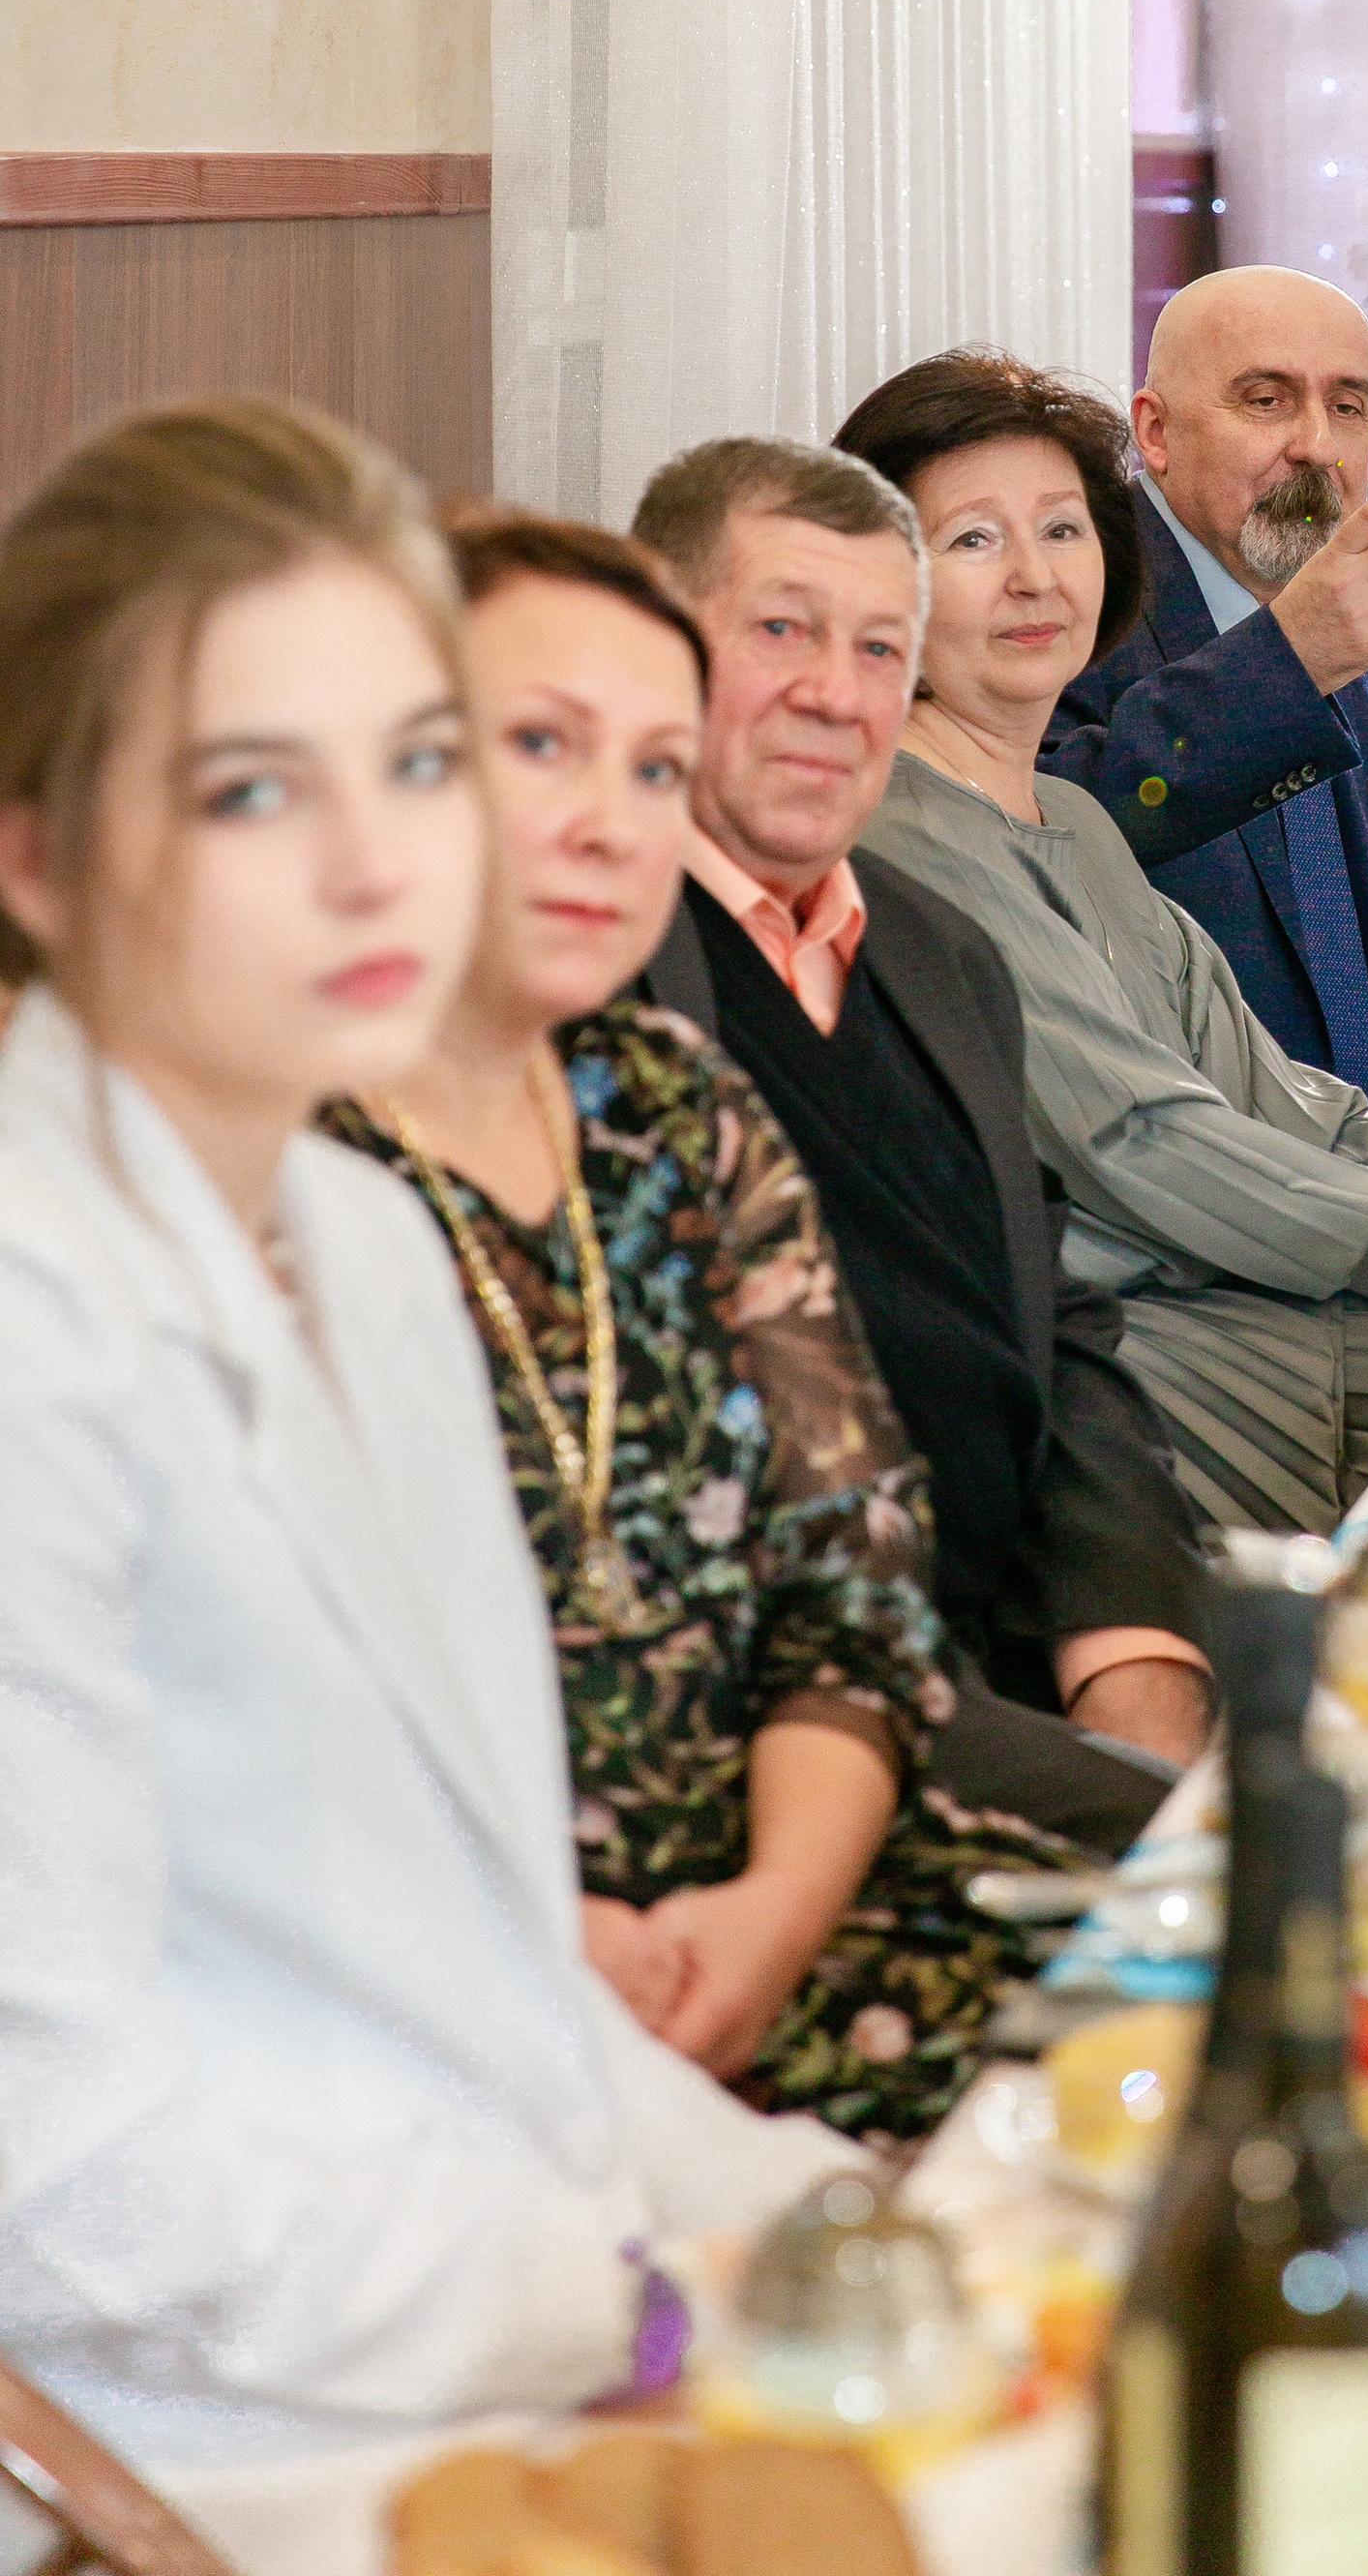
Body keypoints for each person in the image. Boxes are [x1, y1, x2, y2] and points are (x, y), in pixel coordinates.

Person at [0, 399, 834, 2479]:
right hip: (202, 2420)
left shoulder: (361, 1235)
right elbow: (69, 2184)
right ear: (34, 851)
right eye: (254, 789)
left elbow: (486, 1971)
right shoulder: (34, 1326)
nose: (381, 863)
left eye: (420, 763)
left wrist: (811, 2229)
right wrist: (622, 2308)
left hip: (481, 2286)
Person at [332, 509, 1073, 2145]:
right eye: (542, 747)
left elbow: (854, 1580)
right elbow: (260, 1722)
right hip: (429, 1982)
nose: (611, 824)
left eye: (657, 772)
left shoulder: (674, 1109)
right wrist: (567, 1949)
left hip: (794, 1895)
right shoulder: (279, 1164)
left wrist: (773, 1914)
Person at [628, 436, 1216, 1853]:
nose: (837, 694)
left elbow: (1058, 1323)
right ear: (654, 638)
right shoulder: (603, 973)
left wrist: (1133, 1649)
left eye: (882, 647)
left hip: (1029, 1640)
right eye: (782, 631)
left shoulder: (939, 953)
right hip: (806, 1711)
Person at [836, 352, 1368, 1534]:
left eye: (1060, 530)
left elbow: (1291, 1094)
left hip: (1293, 1301)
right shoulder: (900, 832)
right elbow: (1152, 1141)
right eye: (975, 542)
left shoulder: (1077, 824)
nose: (1036, 578)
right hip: (1140, 1373)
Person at [1043, 264, 1368, 1183]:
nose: (1317, 447)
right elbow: (1060, 828)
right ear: (1155, 433)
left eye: (1350, 406)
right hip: (1198, 1238)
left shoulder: (1342, 637)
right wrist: (1291, 660)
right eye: (1267, 400)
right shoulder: (1068, 594)